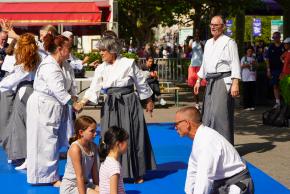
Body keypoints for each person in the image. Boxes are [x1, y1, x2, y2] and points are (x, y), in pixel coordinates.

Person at [74, 36, 157, 183]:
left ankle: (136, 172)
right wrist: (82, 102)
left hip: (129, 103)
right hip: (111, 104)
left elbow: (141, 83)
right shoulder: (100, 68)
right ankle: (108, 171)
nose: (101, 53)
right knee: (109, 136)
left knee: (131, 135)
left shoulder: (128, 63)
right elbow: (94, 88)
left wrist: (149, 101)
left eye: (103, 50)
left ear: (113, 50)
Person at [26, 34, 78, 186]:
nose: (70, 51)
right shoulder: (50, 66)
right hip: (43, 106)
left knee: (51, 141)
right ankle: (48, 177)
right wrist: (74, 104)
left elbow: (71, 84)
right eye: (69, 48)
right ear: (60, 49)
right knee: (44, 142)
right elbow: (59, 91)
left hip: (53, 106)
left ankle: (48, 175)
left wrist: (74, 97)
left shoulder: (65, 65)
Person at [175, 106, 254, 194]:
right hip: (221, 183)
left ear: (187, 123)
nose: (175, 127)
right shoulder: (200, 137)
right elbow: (193, 170)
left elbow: (205, 177)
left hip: (237, 184)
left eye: (177, 124)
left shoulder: (207, 140)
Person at [194, 15, 241, 145]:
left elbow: (235, 63)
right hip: (210, 81)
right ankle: (211, 146)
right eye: (211, 24)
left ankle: (225, 146)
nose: (213, 27)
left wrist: (235, 83)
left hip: (223, 80)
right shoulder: (208, 43)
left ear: (223, 27)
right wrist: (198, 80)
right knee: (208, 114)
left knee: (220, 114)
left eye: (216, 25)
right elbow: (205, 63)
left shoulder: (229, 42)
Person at [0, 33, 40, 169]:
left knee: (21, 126)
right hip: (29, 92)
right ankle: (21, 155)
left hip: (25, 92)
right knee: (23, 125)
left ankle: (27, 156)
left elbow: (10, 81)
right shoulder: (37, 58)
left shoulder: (27, 62)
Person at [60, 115, 100, 194]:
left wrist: (97, 187)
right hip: (71, 187)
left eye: (95, 130)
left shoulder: (94, 146)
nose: (95, 134)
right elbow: (79, 177)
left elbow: (94, 172)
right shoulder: (75, 148)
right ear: (81, 132)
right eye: (92, 131)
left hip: (85, 184)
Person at [99, 126, 128, 194]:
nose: (127, 144)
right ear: (119, 144)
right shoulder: (114, 166)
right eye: (126, 141)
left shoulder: (106, 160)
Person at [265, 32, 285, 108]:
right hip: (274, 69)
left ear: (280, 37)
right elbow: (267, 59)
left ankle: (285, 101)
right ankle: (277, 102)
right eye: (274, 37)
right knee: (275, 85)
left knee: (284, 85)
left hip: (283, 69)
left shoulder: (284, 46)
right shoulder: (271, 46)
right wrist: (268, 69)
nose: (275, 39)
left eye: (276, 37)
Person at [188, 32, 206, 109]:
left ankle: (205, 102)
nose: (197, 37)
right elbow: (187, 51)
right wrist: (188, 44)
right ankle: (197, 103)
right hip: (193, 66)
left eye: (198, 35)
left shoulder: (203, 42)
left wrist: (201, 44)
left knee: (203, 86)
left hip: (201, 66)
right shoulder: (192, 42)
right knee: (193, 86)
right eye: (195, 35)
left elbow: (205, 50)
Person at [240, 46, 257, 111]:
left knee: (252, 92)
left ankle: (252, 105)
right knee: (246, 92)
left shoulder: (254, 58)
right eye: (249, 51)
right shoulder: (244, 58)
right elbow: (241, 66)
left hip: (252, 77)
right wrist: (246, 65)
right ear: (246, 51)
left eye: (251, 51)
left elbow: (256, 67)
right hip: (245, 78)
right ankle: (246, 106)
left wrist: (254, 65)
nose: (250, 52)